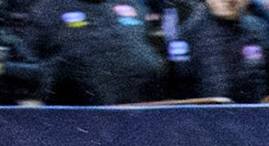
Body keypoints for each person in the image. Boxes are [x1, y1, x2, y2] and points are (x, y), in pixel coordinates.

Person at [26, 0, 166, 102]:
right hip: (81, 113)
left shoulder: (134, 6)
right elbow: (35, 66)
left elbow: (146, 54)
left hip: (141, 107)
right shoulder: (47, 10)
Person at [175, 0, 269, 99]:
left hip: (254, 114)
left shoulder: (261, 31)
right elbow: (180, 86)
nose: (229, 0)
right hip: (204, 115)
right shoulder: (188, 35)